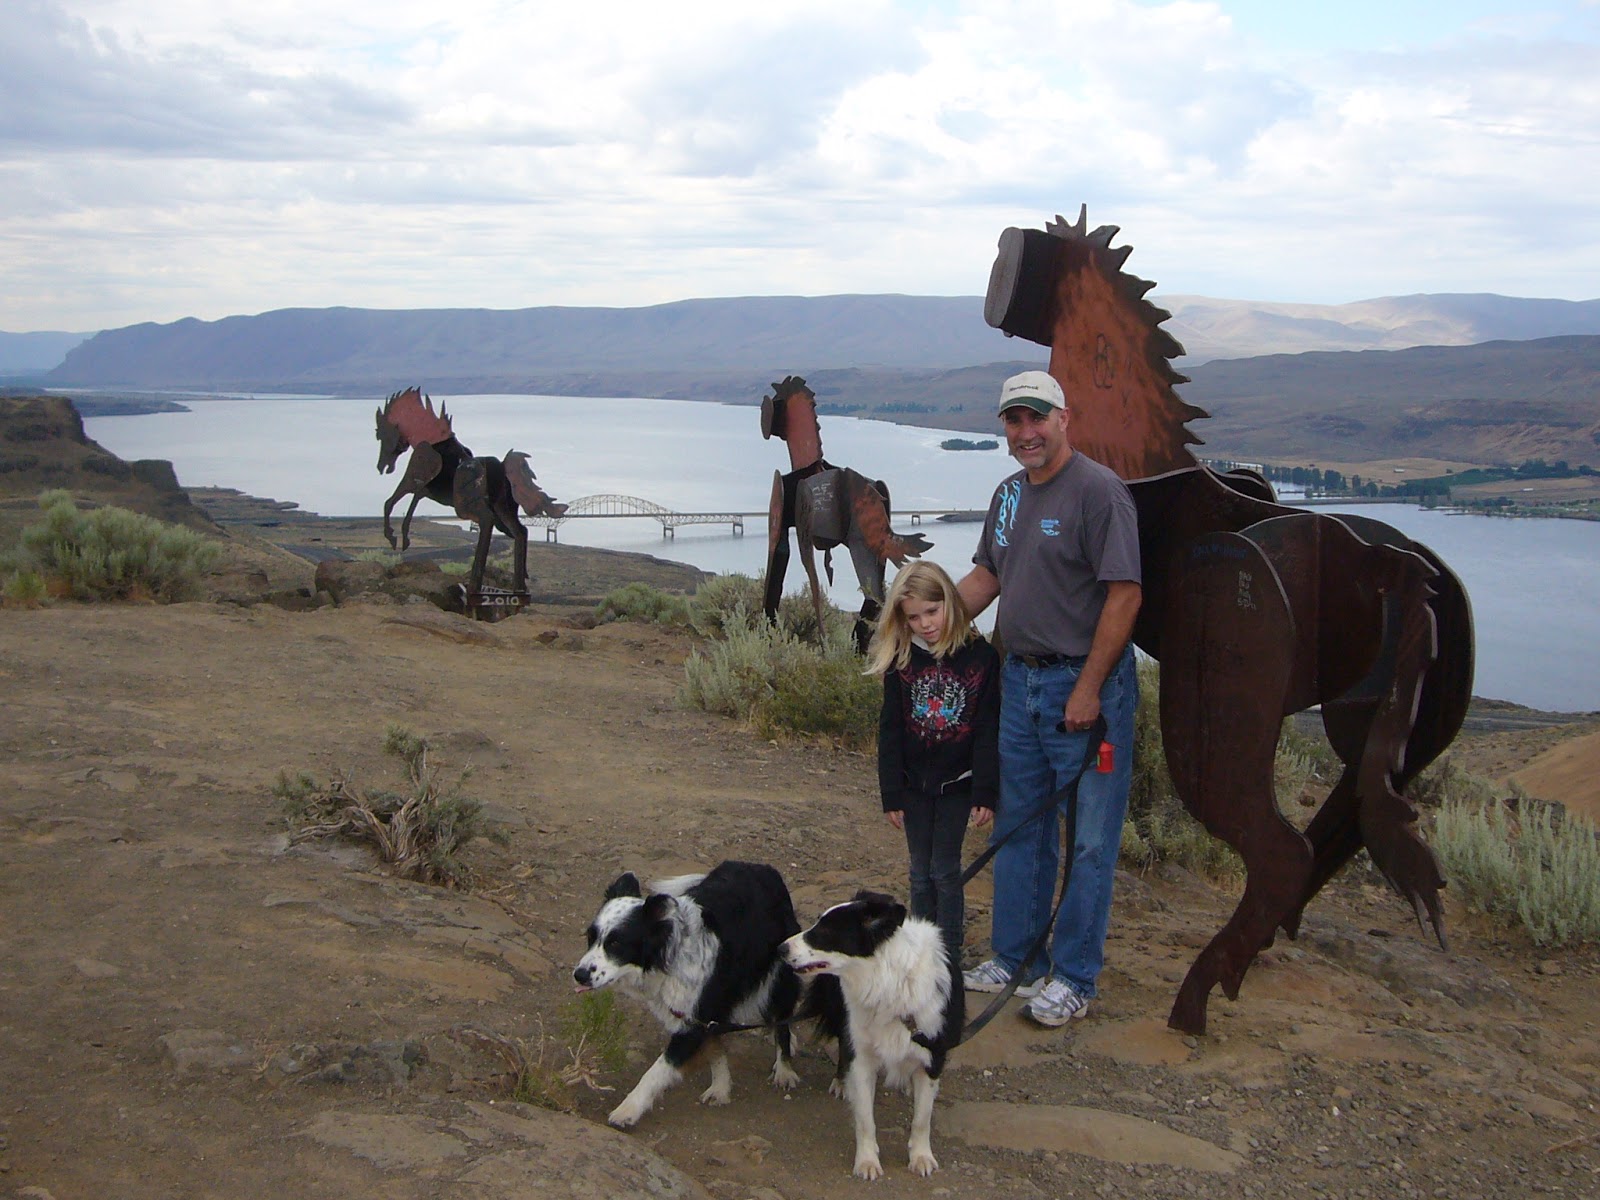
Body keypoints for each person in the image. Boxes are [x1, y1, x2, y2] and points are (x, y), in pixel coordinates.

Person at [956, 369, 1142, 1028]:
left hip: (1085, 694)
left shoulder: (1099, 493)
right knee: (1020, 826)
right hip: (1020, 683)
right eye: (1014, 421)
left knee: (1090, 840)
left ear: (1064, 418)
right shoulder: (1009, 496)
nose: (1025, 433)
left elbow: (1125, 595)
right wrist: (928, 622)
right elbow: (988, 575)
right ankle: (1015, 958)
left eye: (1036, 418)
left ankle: (1073, 977)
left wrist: (1089, 688)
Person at [866, 560, 1001, 964]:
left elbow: (986, 729)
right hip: (912, 785)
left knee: (946, 870)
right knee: (919, 872)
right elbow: (889, 730)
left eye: (932, 610)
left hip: (959, 783)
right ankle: (921, 950)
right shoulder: (902, 659)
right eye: (913, 616)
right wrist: (891, 792)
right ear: (901, 619)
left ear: (950, 603)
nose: (925, 624)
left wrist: (985, 791)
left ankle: (949, 952)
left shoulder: (982, 657)